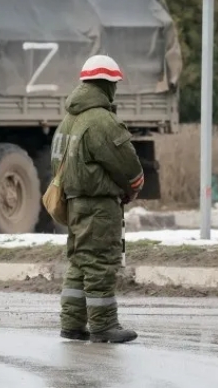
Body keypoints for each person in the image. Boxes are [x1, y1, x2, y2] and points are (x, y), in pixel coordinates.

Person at [50, 54, 145, 344]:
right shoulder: (101, 121)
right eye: (114, 84)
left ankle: (72, 324)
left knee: (79, 262)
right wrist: (132, 188)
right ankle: (104, 326)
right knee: (100, 262)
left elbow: (56, 163)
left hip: (75, 203)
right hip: (99, 206)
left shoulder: (68, 120)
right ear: (106, 85)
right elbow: (128, 166)